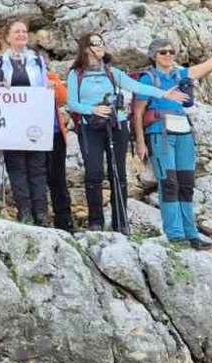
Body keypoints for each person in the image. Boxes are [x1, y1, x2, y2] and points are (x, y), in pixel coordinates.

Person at [66, 33, 189, 232]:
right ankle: (96, 222)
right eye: (95, 43)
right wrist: (92, 109)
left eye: (102, 43)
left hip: (117, 124)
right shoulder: (76, 74)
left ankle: (121, 222)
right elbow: (72, 103)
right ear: (85, 48)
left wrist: (165, 93)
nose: (100, 46)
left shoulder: (112, 72)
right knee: (94, 173)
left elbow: (137, 86)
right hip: (90, 127)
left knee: (118, 172)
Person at [135, 35, 212, 249]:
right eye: (163, 52)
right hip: (160, 132)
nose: (168, 55)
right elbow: (138, 112)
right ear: (154, 56)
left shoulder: (180, 75)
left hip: (183, 131)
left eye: (171, 51)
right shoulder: (148, 79)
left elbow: (209, 64)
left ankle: (191, 233)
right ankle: (175, 235)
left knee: (186, 183)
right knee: (169, 183)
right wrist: (140, 142)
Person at [0, 20, 53, 225]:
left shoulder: (37, 61)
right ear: (8, 37)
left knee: (38, 167)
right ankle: (25, 212)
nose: (21, 35)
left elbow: (45, 87)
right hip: (11, 123)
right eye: (16, 32)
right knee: (17, 167)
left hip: (35, 121)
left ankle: (41, 213)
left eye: (24, 31)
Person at [46, 69, 75, 231]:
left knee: (58, 178)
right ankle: (39, 215)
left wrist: (53, 83)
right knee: (35, 177)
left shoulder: (49, 74)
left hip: (55, 132)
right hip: (31, 136)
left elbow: (64, 97)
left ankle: (64, 220)